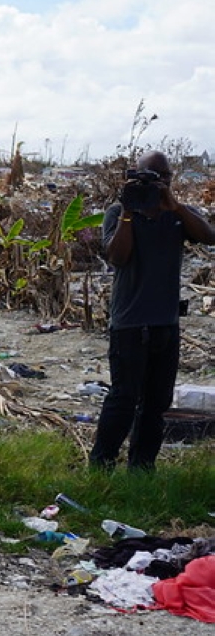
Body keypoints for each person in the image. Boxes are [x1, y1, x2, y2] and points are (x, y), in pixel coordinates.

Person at [89, 150, 215, 471]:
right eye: (151, 177)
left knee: (156, 404)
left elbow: (208, 236)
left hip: (166, 324)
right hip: (130, 324)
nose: (156, 184)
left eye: (164, 178)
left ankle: (142, 469)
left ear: (170, 180)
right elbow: (118, 257)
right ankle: (101, 466)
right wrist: (131, 211)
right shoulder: (118, 212)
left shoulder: (176, 215)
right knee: (123, 399)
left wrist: (172, 204)